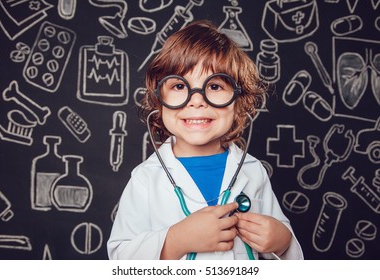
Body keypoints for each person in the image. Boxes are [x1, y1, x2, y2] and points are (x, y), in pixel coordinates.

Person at [107, 20, 303, 260]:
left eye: (214, 86)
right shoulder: (145, 179)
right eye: (180, 85)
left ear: (238, 101)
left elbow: (289, 257)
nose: (197, 100)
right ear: (159, 101)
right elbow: (120, 258)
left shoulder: (253, 172)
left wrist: (282, 242)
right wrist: (176, 240)